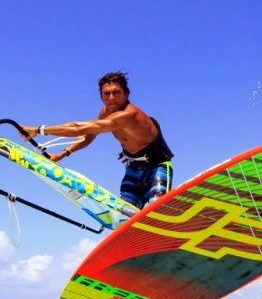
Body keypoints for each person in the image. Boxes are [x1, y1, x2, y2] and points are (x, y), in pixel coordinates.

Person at [20, 71, 173, 209]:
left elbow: (79, 128)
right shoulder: (105, 112)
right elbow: (88, 136)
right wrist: (63, 153)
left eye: (116, 93)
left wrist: (39, 130)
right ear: (101, 96)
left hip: (156, 167)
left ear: (126, 94)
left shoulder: (129, 115)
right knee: (124, 220)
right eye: (106, 94)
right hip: (133, 169)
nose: (111, 98)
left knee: (157, 211)